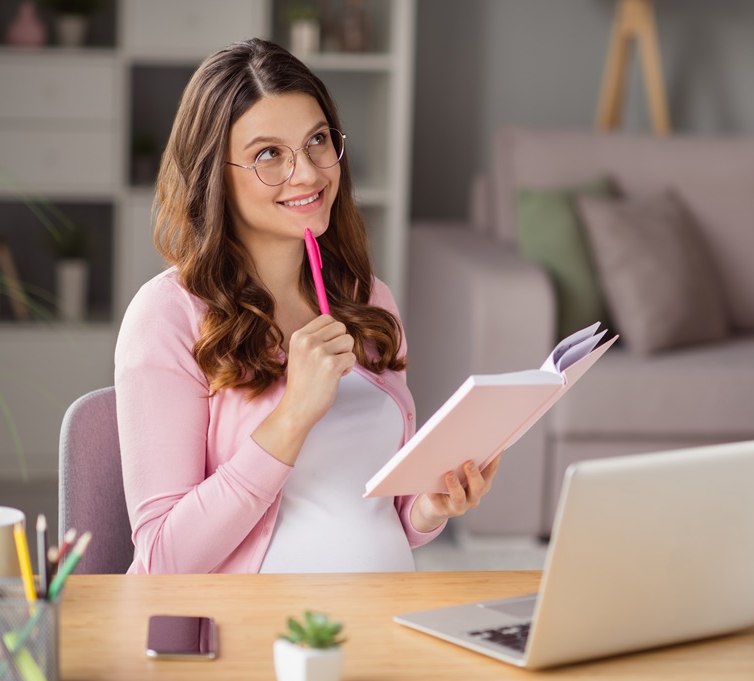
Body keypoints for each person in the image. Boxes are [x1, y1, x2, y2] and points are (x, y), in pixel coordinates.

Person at [115, 38, 500, 575]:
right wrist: (294, 413)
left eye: (317, 140)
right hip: (265, 625)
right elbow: (162, 559)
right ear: (213, 175)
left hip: (387, 613)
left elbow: (379, 510)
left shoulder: (366, 298)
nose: (309, 174)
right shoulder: (167, 317)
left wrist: (430, 507)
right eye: (268, 154)